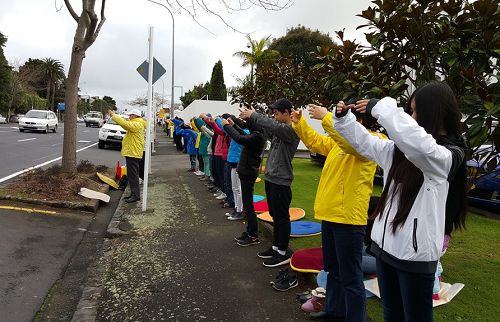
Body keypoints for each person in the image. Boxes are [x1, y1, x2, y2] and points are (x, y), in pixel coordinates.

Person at [334, 81, 467, 322]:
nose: (410, 116)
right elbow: (367, 142)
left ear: (432, 113)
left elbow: (421, 147)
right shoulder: (399, 151)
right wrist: (344, 120)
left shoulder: (445, 157)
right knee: (392, 314)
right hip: (385, 251)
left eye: (414, 110)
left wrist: (382, 108)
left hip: (414, 258)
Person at [291, 104, 385, 321]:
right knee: (333, 269)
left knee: (351, 277)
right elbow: (317, 142)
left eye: (348, 118)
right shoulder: (340, 140)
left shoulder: (374, 141)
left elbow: (355, 144)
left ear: (358, 121)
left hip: (349, 218)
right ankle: (334, 311)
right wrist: (299, 123)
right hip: (330, 214)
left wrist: (330, 119)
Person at [240, 98, 300, 267]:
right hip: (272, 178)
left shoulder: (292, 129)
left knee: (282, 218)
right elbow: (265, 128)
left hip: (281, 181)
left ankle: (282, 252)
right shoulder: (278, 130)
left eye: (276, 113)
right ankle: (275, 248)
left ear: (287, 113)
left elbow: (272, 126)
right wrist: (250, 118)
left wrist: (255, 115)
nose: (274, 116)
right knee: (275, 216)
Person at [222, 117, 266, 245]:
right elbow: (243, 135)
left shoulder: (257, 136)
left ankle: (253, 235)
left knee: (248, 206)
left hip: (248, 172)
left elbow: (240, 138)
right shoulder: (256, 135)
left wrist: (227, 126)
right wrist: (234, 125)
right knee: (247, 205)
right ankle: (250, 231)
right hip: (246, 171)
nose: (246, 123)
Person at [108, 108, 146, 203]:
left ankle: (135, 195)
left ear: (135, 116)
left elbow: (125, 124)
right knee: (132, 174)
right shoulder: (139, 123)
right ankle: (134, 193)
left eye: (130, 115)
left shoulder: (137, 124)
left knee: (133, 175)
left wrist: (114, 115)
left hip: (133, 153)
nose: (129, 117)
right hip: (133, 152)